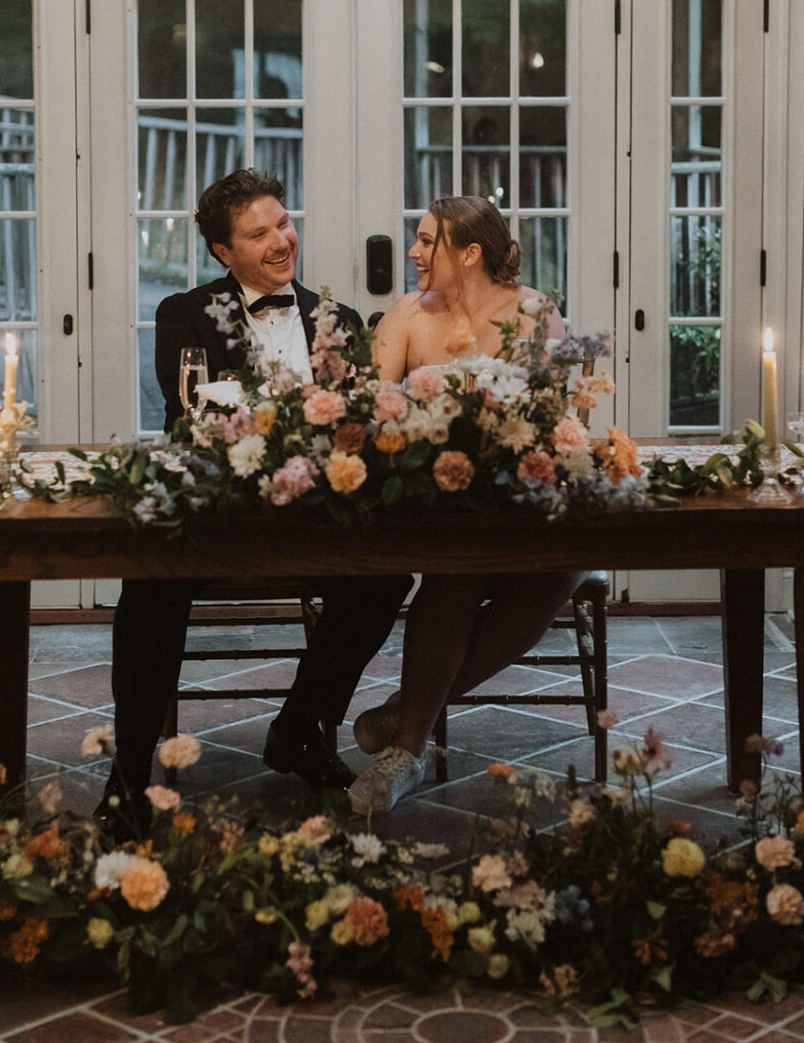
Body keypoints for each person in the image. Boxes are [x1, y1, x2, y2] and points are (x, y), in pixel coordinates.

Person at [99, 168, 411, 835]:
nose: (281, 241)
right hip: (219, 515)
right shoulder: (184, 313)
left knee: (386, 576)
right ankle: (128, 774)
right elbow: (193, 417)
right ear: (223, 252)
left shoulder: (338, 318)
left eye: (284, 223)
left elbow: (356, 421)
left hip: (316, 517)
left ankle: (298, 728)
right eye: (258, 232)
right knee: (150, 584)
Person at [348, 195, 586, 816]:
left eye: (428, 242)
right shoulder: (405, 316)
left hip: (522, 496)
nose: (415, 253)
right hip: (435, 502)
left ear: (470, 253)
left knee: (562, 567)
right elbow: (371, 417)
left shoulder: (535, 313)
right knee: (458, 566)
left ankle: (408, 711)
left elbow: (550, 417)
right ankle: (406, 750)